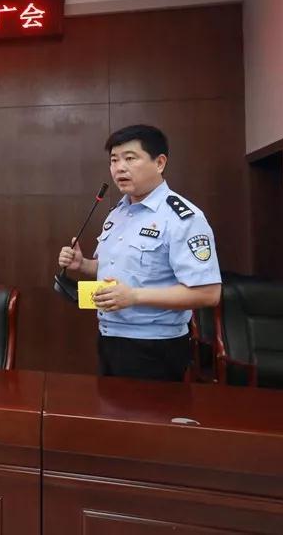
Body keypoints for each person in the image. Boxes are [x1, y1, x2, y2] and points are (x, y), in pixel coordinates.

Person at [57, 125, 221, 381]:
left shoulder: (182, 218)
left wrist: (134, 296)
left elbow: (208, 293)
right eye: (114, 160)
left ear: (160, 163)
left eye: (130, 158)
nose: (119, 168)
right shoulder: (117, 213)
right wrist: (83, 264)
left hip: (155, 346)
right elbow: (116, 269)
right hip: (109, 337)